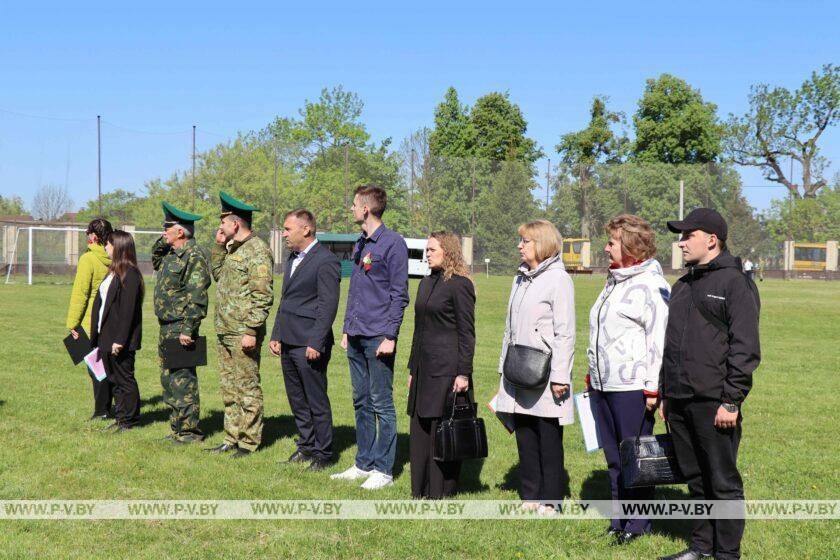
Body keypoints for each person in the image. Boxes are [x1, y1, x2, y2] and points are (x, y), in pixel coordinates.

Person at [658, 208, 761, 560]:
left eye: (688, 235)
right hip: (680, 399)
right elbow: (671, 343)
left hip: (715, 402)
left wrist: (731, 400)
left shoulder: (735, 282)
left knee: (722, 481)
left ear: (712, 240)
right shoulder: (683, 284)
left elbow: (745, 347)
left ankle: (727, 554)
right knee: (695, 478)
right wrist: (666, 393)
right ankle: (701, 548)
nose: (681, 242)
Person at [586, 214, 670, 544]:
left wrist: (653, 387)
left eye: (612, 242)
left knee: (635, 458)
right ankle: (618, 520)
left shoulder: (651, 284)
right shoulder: (614, 280)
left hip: (633, 389)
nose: (605, 248)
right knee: (613, 458)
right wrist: (592, 372)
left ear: (631, 246)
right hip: (603, 385)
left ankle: (638, 524)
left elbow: (658, 339)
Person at [330, 184, 409, 490]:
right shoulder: (360, 242)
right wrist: (348, 328)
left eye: (353, 205)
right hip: (357, 333)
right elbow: (356, 290)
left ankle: (384, 469)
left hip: (379, 335)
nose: (350, 209)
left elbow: (399, 295)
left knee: (381, 402)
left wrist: (390, 336)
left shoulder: (393, 244)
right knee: (360, 400)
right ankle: (363, 462)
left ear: (366, 209)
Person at [494, 219, 575, 514]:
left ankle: (551, 500)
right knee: (525, 432)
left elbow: (566, 333)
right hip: (518, 368)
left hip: (545, 372)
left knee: (548, 436)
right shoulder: (520, 277)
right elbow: (508, 326)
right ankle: (530, 494)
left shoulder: (558, 280)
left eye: (525, 241)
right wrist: (503, 368)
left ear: (541, 243)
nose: (519, 246)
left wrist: (561, 375)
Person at [269, 209, 341, 472]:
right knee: (297, 398)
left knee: (315, 399)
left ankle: (323, 452)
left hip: (309, 343)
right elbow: (286, 299)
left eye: (288, 229)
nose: (284, 234)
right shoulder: (292, 258)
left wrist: (316, 342)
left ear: (306, 230)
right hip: (288, 339)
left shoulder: (326, 261)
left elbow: (327, 306)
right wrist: (277, 333)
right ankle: (306, 445)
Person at [205, 191, 274, 459]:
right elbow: (219, 276)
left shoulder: (257, 251)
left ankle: (248, 441)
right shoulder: (234, 248)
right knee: (229, 387)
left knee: (247, 387)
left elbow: (263, 295)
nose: (219, 227)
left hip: (243, 332)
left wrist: (251, 331)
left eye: (223, 223)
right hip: (225, 329)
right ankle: (231, 437)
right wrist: (219, 246)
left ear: (235, 224)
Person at [407, 231, 475, 499]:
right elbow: (418, 330)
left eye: (432, 249)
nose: (427, 253)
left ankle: (440, 491)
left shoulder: (460, 285)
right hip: (424, 369)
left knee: (441, 429)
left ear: (448, 251)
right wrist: (413, 370)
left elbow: (467, 332)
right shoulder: (426, 283)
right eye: (427, 249)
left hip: (447, 370)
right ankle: (419, 489)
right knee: (420, 428)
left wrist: (463, 372)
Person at [151, 202, 211, 445]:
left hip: (181, 326)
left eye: (168, 229)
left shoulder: (194, 256)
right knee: (168, 380)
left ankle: (189, 432)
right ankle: (177, 428)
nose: (163, 233)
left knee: (183, 380)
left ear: (180, 232)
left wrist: (189, 328)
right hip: (166, 325)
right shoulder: (170, 254)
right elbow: (154, 256)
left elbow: (198, 295)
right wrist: (165, 241)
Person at [90, 230, 144, 432]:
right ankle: (121, 418)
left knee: (124, 379)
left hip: (119, 338)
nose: (105, 247)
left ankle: (130, 420)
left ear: (119, 247)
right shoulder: (113, 271)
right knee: (113, 380)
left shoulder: (130, 274)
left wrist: (120, 339)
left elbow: (128, 311)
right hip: (106, 335)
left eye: (109, 244)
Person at [66, 218, 115, 420]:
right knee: (108, 366)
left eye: (88, 233)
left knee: (96, 368)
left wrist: (72, 323)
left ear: (93, 236)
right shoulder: (115, 256)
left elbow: (80, 294)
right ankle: (110, 406)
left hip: (89, 323)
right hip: (110, 320)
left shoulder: (88, 259)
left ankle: (101, 410)